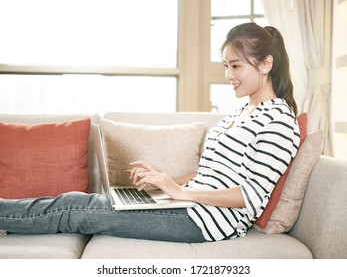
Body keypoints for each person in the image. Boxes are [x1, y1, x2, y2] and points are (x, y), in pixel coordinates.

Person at [0, 22, 300, 243]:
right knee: (88, 201)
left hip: (205, 220)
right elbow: (212, 173)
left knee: (78, 207)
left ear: (265, 64)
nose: (228, 75)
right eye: (225, 65)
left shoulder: (279, 121)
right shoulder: (239, 112)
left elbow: (251, 196)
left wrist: (179, 192)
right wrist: (163, 179)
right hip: (191, 204)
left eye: (235, 65)